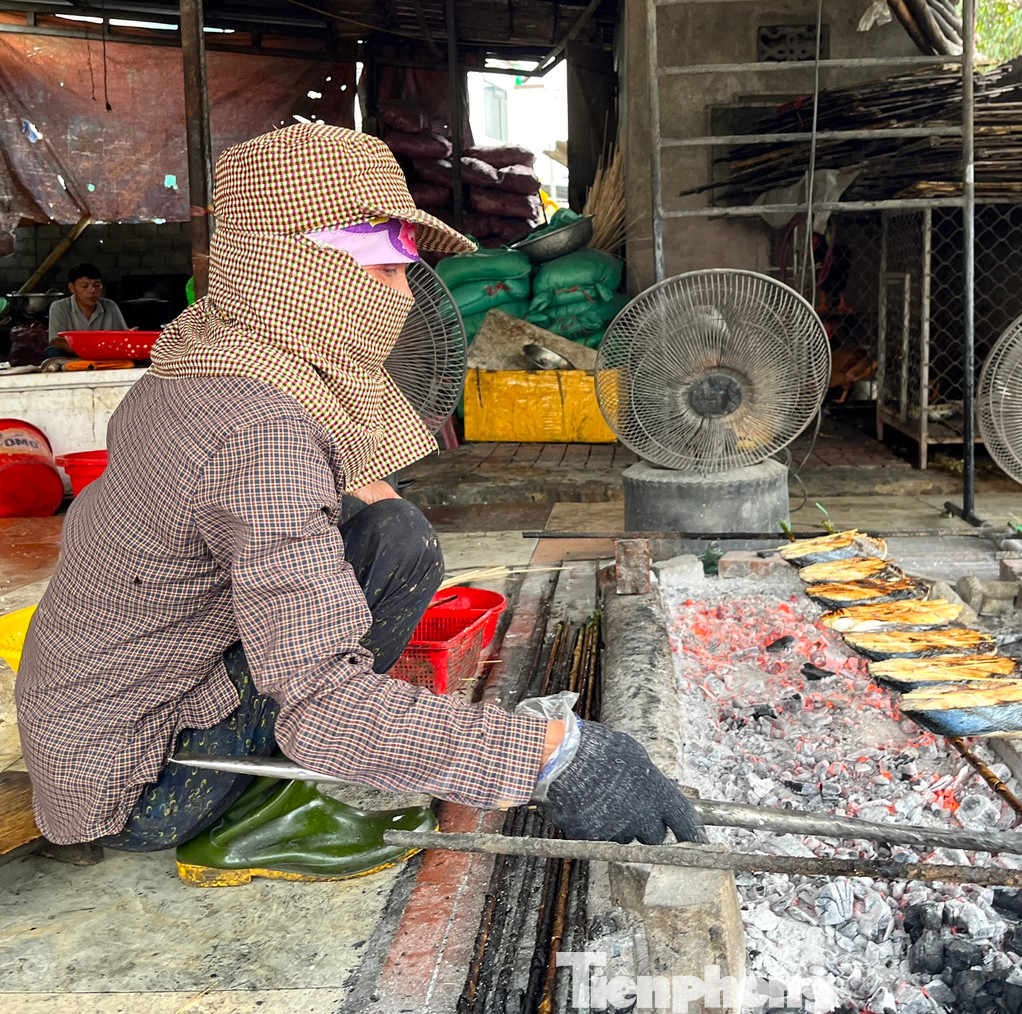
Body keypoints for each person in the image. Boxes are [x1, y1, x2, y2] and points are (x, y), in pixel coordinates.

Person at [15, 123, 700, 886]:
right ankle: (260, 815)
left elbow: (324, 497)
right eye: (381, 264)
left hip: (80, 736)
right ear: (293, 266)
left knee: (390, 530)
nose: (405, 295)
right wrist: (557, 756)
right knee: (392, 558)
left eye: (404, 264)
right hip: (141, 782)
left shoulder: (195, 364)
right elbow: (322, 705)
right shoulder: (262, 432)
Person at [46, 263, 129, 357]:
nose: (92, 290)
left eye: (96, 285)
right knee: (51, 352)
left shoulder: (110, 306)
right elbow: (55, 341)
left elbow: (123, 338)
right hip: (72, 355)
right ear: (72, 288)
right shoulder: (59, 307)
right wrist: (87, 349)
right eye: (85, 286)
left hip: (104, 356)